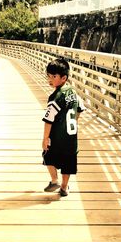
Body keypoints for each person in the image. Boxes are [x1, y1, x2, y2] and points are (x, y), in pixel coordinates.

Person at [42, 58, 85, 196]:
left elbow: (48, 120)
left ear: (63, 78)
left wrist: (45, 139)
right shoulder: (73, 92)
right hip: (71, 139)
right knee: (68, 164)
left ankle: (55, 180)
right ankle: (64, 188)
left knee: (47, 155)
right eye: (48, 75)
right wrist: (74, 121)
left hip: (57, 138)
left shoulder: (56, 97)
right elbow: (80, 108)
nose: (50, 79)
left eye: (54, 76)